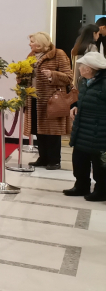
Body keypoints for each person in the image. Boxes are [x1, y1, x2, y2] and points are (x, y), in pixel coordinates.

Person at [23, 32, 73, 170]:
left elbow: (69, 77)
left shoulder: (58, 54)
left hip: (52, 100)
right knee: (38, 130)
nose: (30, 44)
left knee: (52, 132)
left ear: (40, 43)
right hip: (34, 98)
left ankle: (54, 160)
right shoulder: (31, 55)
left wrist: (52, 75)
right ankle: (43, 158)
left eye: (32, 41)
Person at [64, 51, 106, 201]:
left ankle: (102, 190)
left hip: (99, 129)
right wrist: (76, 106)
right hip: (82, 126)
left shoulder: (104, 82)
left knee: (99, 163)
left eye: (81, 66)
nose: (79, 68)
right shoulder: (84, 81)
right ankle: (81, 185)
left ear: (89, 68)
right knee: (79, 158)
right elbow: (83, 98)